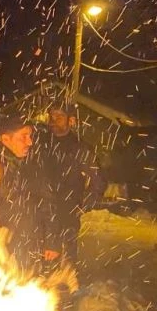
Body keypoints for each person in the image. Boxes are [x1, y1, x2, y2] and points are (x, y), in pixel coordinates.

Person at [0, 115, 60, 270]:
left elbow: (48, 204)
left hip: (28, 241)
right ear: (5, 139)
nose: (30, 142)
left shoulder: (34, 167)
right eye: (23, 137)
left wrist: (52, 241)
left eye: (30, 136)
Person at [44, 104, 105, 262]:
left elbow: (97, 179)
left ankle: (67, 283)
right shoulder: (41, 144)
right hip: (43, 208)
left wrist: (83, 204)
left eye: (59, 117)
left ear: (71, 121)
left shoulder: (80, 148)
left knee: (66, 255)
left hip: (68, 210)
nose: (54, 120)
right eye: (51, 116)